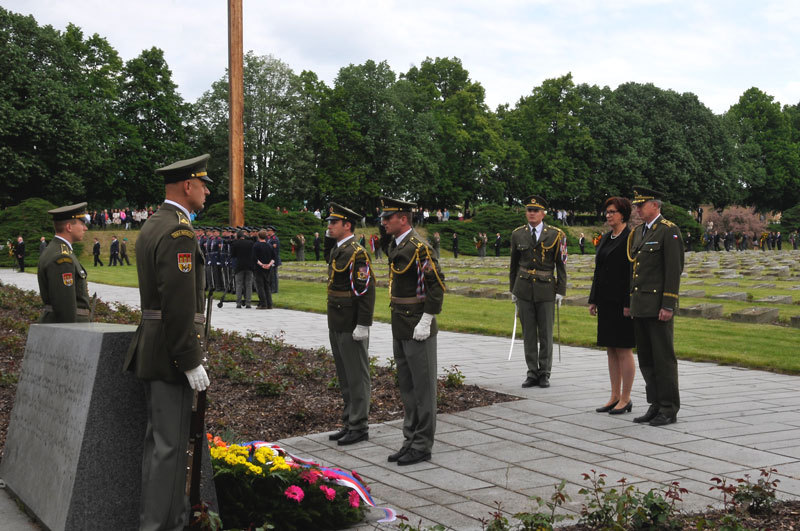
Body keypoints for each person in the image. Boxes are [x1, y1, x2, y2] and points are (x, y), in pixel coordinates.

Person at [124, 153, 212, 530]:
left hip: (156, 348)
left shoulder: (155, 223)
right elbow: (177, 304)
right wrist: (190, 359)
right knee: (170, 450)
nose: (207, 192)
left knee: (162, 447)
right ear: (187, 186)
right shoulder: (178, 231)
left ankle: (171, 520)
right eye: (204, 185)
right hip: (170, 354)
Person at [379, 197, 445, 466]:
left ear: (403, 219)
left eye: (388, 217)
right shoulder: (398, 245)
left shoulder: (420, 247)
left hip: (418, 324)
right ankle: (410, 439)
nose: (383, 222)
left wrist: (427, 319)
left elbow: (436, 286)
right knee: (407, 387)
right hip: (401, 323)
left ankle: (422, 444)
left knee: (423, 388)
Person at [628, 186, 684, 427]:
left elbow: (674, 270)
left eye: (642, 205)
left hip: (658, 305)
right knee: (647, 359)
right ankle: (655, 403)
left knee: (663, 359)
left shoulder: (668, 231)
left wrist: (668, 304)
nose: (638, 209)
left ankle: (669, 408)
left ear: (655, 206)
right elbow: (635, 272)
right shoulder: (639, 232)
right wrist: (630, 303)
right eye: (637, 205)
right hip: (641, 305)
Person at [325, 203, 376, 446]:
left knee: (357, 376)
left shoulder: (357, 253)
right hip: (337, 321)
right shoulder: (338, 250)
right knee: (345, 376)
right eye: (329, 222)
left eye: (334, 223)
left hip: (351, 322)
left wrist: (363, 324)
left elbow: (366, 292)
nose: (329, 226)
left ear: (347, 225)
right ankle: (349, 421)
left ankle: (359, 425)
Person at [509, 195, 567, 389]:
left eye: (535, 210)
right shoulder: (518, 234)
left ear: (543, 213)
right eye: (529, 210)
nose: (531, 213)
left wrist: (561, 290)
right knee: (529, 334)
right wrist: (513, 289)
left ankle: (544, 373)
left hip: (546, 289)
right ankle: (532, 372)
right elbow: (513, 265)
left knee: (545, 333)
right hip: (524, 287)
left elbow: (561, 265)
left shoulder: (556, 234)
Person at [589, 197, 636, 415]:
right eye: (607, 212)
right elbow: (599, 271)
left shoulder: (630, 238)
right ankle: (614, 395)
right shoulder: (607, 238)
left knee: (624, 349)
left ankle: (626, 398)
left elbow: (631, 274)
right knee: (610, 349)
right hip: (606, 302)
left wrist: (629, 302)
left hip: (622, 303)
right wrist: (594, 299)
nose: (608, 215)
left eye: (613, 212)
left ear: (623, 214)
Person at [37, 203, 91, 323]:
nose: (85, 228)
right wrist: (70, 335)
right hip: (69, 328)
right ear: (69, 227)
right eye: (82, 224)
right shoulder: (62, 257)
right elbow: (65, 307)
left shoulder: (56, 250)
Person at [231, 229, 255, 308]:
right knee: (248, 284)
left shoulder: (235, 243)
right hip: (249, 266)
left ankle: (239, 302)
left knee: (239, 284)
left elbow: (233, 255)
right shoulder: (250, 243)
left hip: (239, 266)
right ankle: (248, 302)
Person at [252, 229, 275, 309]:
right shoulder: (269, 245)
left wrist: (262, 264)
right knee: (267, 285)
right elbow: (273, 258)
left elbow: (254, 258)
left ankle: (263, 304)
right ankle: (270, 304)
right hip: (268, 268)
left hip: (259, 268)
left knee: (260, 286)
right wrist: (268, 265)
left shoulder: (256, 245)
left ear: (258, 236)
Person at [266, 226, 281, 293]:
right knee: (271, 275)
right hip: (270, 259)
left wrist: (273, 260)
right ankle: (271, 288)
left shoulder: (275, 239)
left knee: (274, 275)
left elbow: (275, 251)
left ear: (272, 231)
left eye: (268, 230)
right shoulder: (270, 239)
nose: (267, 231)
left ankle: (274, 289)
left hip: (274, 259)